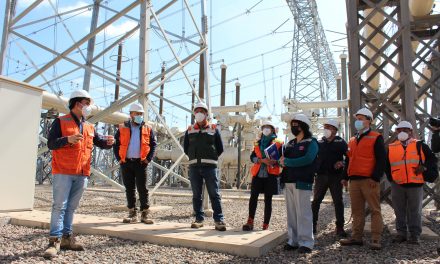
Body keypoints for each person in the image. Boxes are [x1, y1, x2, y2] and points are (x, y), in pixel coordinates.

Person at [44, 90, 114, 258]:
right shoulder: (60, 122)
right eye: (87, 103)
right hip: (63, 171)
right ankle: (54, 241)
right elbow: (51, 144)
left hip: (82, 173)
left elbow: (99, 142)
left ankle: (67, 238)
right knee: (59, 206)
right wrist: (67, 139)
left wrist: (110, 143)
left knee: (71, 208)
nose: (89, 107)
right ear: (77, 104)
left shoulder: (89, 126)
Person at [339, 108, 386, 250]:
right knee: (357, 210)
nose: (358, 121)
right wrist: (345, 177)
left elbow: (381, 159)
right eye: (357, 118)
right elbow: (349, 159)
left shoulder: (376, 137)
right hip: (354, 180)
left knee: (374, 209)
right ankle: (356, 237)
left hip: (369, 180)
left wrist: (375, 176)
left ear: (369, 121)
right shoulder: (352, 140)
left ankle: (376, 238)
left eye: (361, 118)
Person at [386, 121, 438, 244]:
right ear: (396, 132)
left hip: (415, 184)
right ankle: (401, 233)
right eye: (399, 130)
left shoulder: (420, 145)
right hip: (398, 184)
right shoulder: (392, 147)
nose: (402, 132)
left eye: (405, 130)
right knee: (399, 210)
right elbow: (387, 165)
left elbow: (432, 159)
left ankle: (415, 235)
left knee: (415, 210)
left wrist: (424, 167)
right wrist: (392, 179)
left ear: (411, 132)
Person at [183, 101, 226, 231]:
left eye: (202, 111)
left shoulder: (213, 129)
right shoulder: (190, 130)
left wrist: (210, 157)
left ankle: (219, 220)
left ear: (206, 114)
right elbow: (186, 148)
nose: (199, 114)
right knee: (196, 194)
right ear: (194, 114)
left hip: (210, 167)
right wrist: (194, 158)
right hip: (195, 167)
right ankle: (199, 219)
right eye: (197, 111)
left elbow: (220, 148)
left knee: (214, 194)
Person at [280, 113, 319, 254]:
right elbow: (284, 159)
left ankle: (307, 242)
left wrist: (288, 162)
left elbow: (308, 159)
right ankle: (293, 240)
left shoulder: (311, 142)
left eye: (295, 125)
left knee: (303, 213)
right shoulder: (290, 143)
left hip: (302, 181)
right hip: (289, 180)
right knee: (291, 213)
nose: (293, 127)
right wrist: (281, 161)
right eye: (292, 125)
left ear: (303, 126)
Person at [113, 102, 157, 224]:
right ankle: (132, 213)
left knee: (143, 188)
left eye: (141, 114)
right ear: (131, 114)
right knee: (129, 189)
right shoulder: (123, 127)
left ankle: (145, 214)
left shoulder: (147, 128)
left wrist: (148, 159)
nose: (139, 115)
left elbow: (153, 144)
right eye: (137, 113)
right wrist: (119, 158)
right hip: (126, 162)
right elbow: (116, 144)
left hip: (141, 162)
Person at [242, 120, 283, 231]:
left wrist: (275, 161)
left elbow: (282, 159)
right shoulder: (258, 143)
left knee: (268, 200)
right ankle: (250, 222)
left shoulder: (278, 143)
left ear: (273, 129)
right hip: (258, 174)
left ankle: (265, 225)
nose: (266, 129)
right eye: (264, 127)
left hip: (271, 175)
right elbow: (252, 157)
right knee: (253, 198)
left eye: (268, 127)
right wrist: (261, 160)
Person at [312, 119, 348, 237]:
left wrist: (342, 163)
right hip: (321, 176)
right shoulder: (319, 142)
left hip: (336, 177)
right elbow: (313, 157)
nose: (326, 129)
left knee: (338, 201)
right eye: (325, 127)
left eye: (329, 127)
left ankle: (340, 227)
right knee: (316, 201)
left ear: (335, 130)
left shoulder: (341, 142)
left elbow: (348, 158)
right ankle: (312, 225)